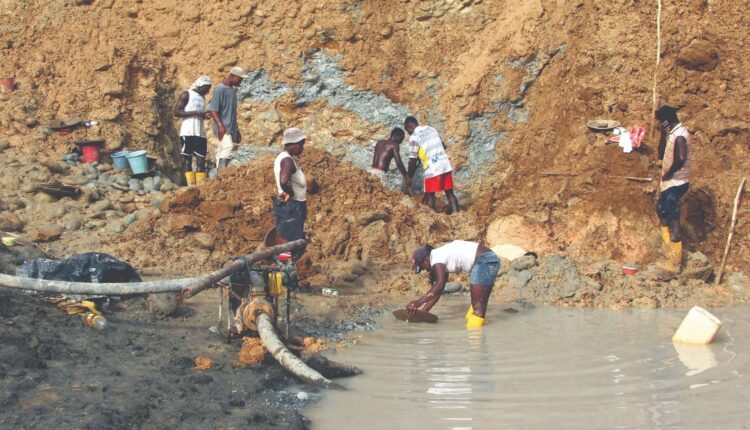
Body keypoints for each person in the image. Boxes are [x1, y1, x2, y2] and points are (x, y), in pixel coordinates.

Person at [406, 240, 500, 329]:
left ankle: (475, 342)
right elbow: (438, 291)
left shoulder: (437, 259)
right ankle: (475, 335)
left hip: (485, 260)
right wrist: (423, 312)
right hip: (489, 259)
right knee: (478, 304)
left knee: (478, 309)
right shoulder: (440, 256)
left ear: (426, 259)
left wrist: (418, 302)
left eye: (421, 267)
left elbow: (439, 286)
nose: (424, 270)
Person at [656, 105, 692, 272]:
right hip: (669, 184)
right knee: (663, 214)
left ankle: (674, 265)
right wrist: (663, 134)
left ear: (665, 121)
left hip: (676, 183)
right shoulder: (672, 133)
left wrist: (669, 173)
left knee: (673, 220)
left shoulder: (679, 135)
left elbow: (681, 157)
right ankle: (668, 254)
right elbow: (661, 154)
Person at [404, 116, 460, 214]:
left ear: (409, 127)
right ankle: (457, 214)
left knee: (430, 194)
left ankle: (431, 219)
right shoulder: (431, 129)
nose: (408, 133)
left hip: (432, 168)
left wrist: (409, 176)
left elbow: (412, 160)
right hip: (444, 164)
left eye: (407, 130)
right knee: (449, 193)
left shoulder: (414, 136)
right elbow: (443, 145)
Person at [273, 128, 308, 260]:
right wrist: (290, 193)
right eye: (301, 145)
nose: (302, 148)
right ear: (293, 144)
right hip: (292, 204)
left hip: (290, 203)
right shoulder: (287, 160)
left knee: (286, 236)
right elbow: (283, 180)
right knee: (287, 240)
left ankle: (286, 267)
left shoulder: (285, 158)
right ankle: (285, 267)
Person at [174, 75, 211, 186]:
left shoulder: (202, 98)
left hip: (200, 133)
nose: (208, 90)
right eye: (207, 88)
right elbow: (176, 112)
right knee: (187, 159)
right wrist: (196, 113)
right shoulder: (187, 94)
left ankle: (201, 186)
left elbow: (199, 115)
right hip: (188, 131)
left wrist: (204, 116)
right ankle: (191, 186)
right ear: (201, 85)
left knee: (201, 160)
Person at [208, 66, 248, 170]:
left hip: (230, 127)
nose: (241, 82)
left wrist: (236, 129)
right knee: (228, 147)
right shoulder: (220, 89)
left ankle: (218, 179)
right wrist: (220, 126)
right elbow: (213, 110)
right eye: (240, 79)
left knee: (221, 150)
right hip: (222, 126)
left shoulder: (232, 91)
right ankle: (222, 173)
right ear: (232, 76)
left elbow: (231, 112)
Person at [369, 127, 408, 192]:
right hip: (380, 174)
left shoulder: (379, 142)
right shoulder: (394, 145)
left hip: (371, 171)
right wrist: (405, 175)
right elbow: (399, 162)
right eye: (401, 139)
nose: (401, 142)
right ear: (395, 136)